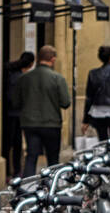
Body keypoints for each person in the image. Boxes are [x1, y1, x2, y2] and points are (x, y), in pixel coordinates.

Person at [17, 45, 71, 177]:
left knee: (31, 157)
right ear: (52, 60)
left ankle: (27, 189)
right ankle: (51, 187)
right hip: (51, 124)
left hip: (30, 123)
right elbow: (65, 102)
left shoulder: (24, 78)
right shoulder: (57, 78)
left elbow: (16, 102)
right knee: (52, 159)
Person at [3, 50, 34, 177]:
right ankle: (14, 171)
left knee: (14, 143)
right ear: (31, 64)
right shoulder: (20, 77)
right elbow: (14, 97)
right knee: (14, 143)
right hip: (15, 114)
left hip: (13, 114)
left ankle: (14, 171)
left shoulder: (14, 74)